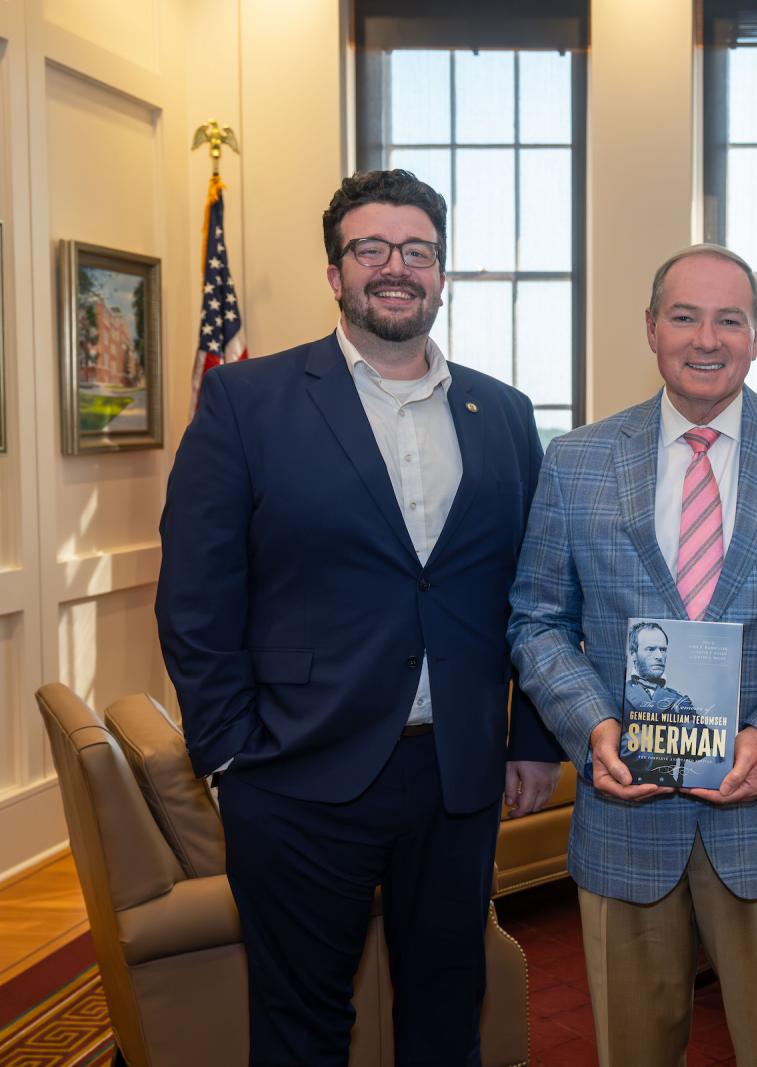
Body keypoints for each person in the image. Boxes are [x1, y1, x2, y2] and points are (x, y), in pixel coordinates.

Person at [155, 169, 563, 1066]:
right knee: (303, 1029)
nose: (395, 267)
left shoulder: (502, 412)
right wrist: (229, 752)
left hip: (457, 777)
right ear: (335, 273)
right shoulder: (247, 402)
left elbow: (538, 591)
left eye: (417, 251)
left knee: (446, 1015)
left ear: (442, 273)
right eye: (370, 249)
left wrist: (531, 737)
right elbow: (195, 596)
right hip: (296, 772)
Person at [508, 243, 757, 1067]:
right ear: (651, 329)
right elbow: (537, 621)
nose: (706, 338)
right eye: (685, 316)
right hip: (625, 813)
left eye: (730, 319)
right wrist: (595, 728)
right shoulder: (576, 461)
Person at [622, 620, 701, 786]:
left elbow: (702, 745)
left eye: (663, 649)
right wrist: (675, 740)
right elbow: (620, 748)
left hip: (673, 791)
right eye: (650, 649)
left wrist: (644, 740)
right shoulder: (618, 693)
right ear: (633, 654)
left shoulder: (679, 698)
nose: (659, 656)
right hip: (625, 790)